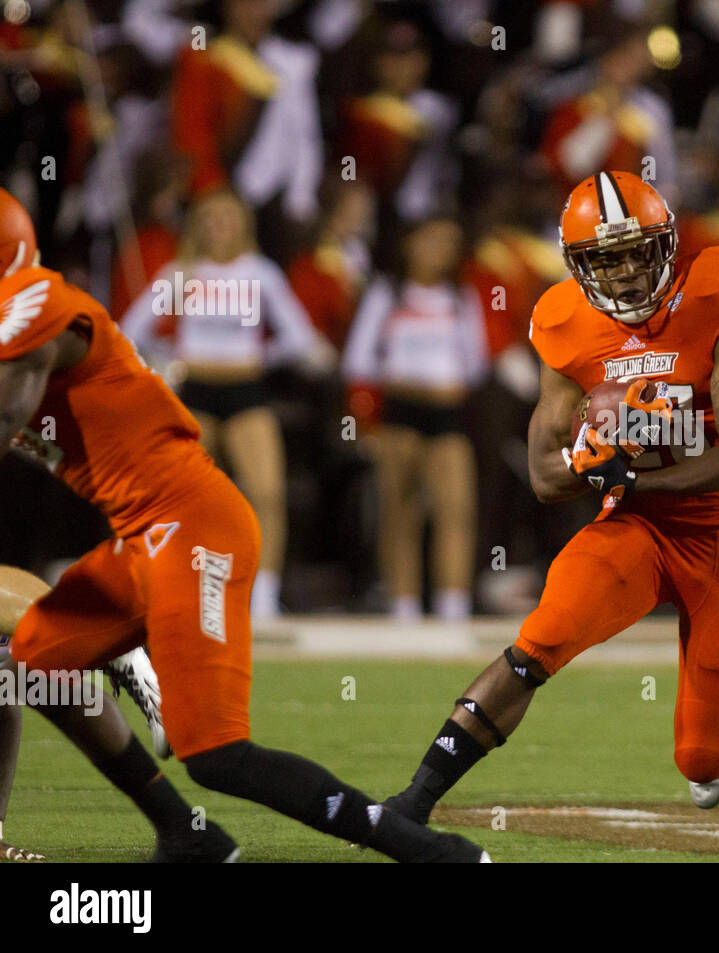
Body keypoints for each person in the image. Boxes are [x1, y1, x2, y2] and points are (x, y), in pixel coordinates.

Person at [0, 188, 484, 862]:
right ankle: (182, 831)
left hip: (194, 525)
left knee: (218, 754)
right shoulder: (78, 302)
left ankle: (431, 850)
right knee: (23, 664)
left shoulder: (39, 305)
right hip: (143, 535)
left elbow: (3, 415)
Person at [382, 170, 719, 822]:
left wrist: (626, 475)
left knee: (700, 760)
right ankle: (412, 801)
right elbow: (546, 474)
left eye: (636, 251)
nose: (626, 271)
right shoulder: (566, 322)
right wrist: (597, 469)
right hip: (640, 528)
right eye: (606, 258)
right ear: (578, 266)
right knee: (541, 639)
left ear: (666, 245)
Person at [121, 189, 329, 618]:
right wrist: (166, 360)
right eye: (211, 217)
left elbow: (300, 336)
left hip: (246, 392)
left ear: (243, 225)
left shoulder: (260, 274)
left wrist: (261, 358)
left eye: (228, 217)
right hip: (194, 391)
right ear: (198, 225)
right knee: (185, 497)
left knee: (267, 491)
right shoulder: (182, 273)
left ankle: (265, 595)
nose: (219, 226)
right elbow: (130, 330)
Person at [342, 219, 488, 621]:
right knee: (399, 508)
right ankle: (403, 603)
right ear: (410, 244)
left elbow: (475, 365)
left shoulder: (461, 298)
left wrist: (445, 385)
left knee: (456, 507)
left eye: (449, 242)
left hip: (448, 414)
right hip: (400, 411)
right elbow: (358, 359)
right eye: (432, 240)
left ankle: (452, 603)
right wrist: (368, 418)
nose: (439, 250)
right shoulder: (388, 295)